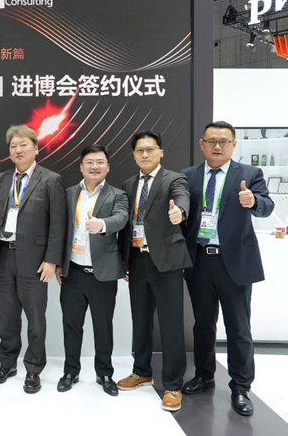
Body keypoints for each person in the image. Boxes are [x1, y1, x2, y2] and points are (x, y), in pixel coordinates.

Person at [181, 121, 274, 417]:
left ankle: (241, 387)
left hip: (234, 261)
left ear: (234, 145)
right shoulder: (188, 176)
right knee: (203, 325)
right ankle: (204, 375)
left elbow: (267, 206)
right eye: (212, 141)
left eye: (224, 141)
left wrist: (254, 201)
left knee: (238, 327)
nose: (217, 146)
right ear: (202, 144)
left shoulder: (249, 174)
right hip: (199, 260)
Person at [0, 125, 66, 394]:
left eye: (23, 145)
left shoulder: (50, 180)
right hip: (3, 256)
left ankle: (34, 369)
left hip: (35, 260)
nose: (18, 150)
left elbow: (58, 224)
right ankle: (7, 364)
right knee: (6, 316)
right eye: (13, 146)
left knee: (36, 318)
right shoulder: (0, 179)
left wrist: (52, 260)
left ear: (36, 148)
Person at [116, 130, 191, 412]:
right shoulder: (128, 183)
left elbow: (182, 199)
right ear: (134, 155)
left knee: (171, 324)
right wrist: (124, 261)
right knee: (140, 319)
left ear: (161, 152)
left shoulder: (174, 179)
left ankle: (172, 384)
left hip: (166, 262)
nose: (145, 154)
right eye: (139, 150)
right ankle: (141, 371)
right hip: (137, 260)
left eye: (150, 149)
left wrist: (179, 212)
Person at [55, 144, 128, 397]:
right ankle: (70, 371)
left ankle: (105, 373)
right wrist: (58, 262)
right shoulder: (68, 194)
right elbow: (60, 229)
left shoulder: (118, 195)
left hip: (103, 274)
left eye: (99, 162)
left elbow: (121, 218)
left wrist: (102, 224)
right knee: (71, 325)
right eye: (89, 162)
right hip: (73, 271)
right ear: (81, 166)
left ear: (107, 166)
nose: (94, 167)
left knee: (103, 326)